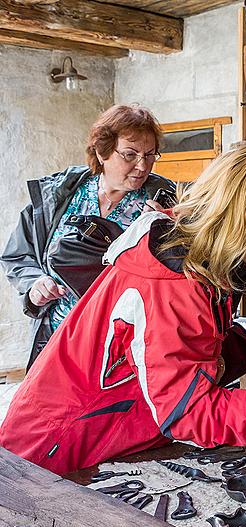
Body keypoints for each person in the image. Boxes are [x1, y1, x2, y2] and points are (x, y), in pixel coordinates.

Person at [0, 146, 246, 475]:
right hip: (57, 447)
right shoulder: (173, 282)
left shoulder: (190, 245)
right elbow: (189, 410)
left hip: (104, 431)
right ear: (238, 217)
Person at [2, 104, 176, 368]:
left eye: (150, 155)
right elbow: (17, 255)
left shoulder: (164, 201)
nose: (142, 166)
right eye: (130, 154)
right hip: (56, 340)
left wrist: (164, 229)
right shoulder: (59, 193)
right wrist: (34, 284)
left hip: (123, 350)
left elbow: (179, 277)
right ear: (102, 151)